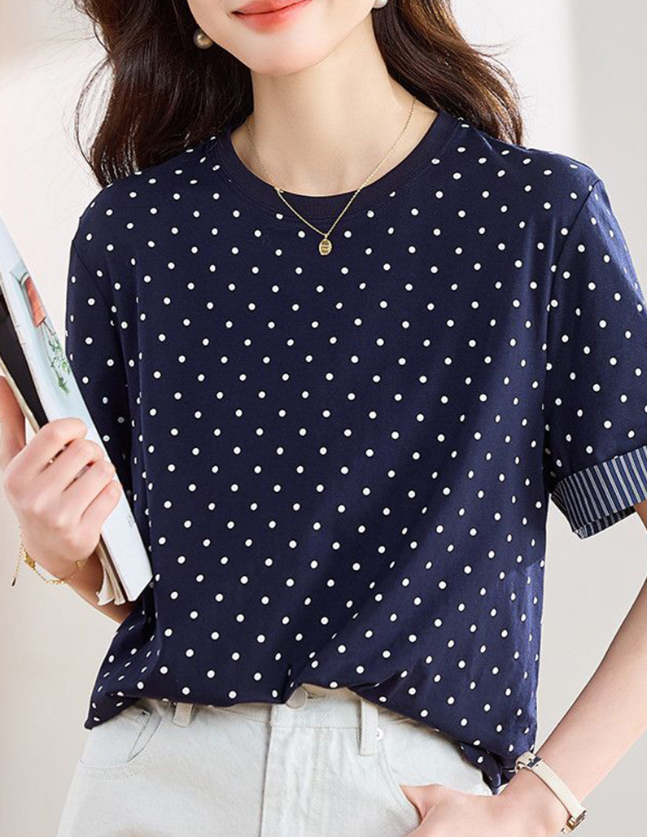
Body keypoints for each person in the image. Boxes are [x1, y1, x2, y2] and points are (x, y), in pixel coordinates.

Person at [2, 1, 647, 835]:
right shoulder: (133, 234)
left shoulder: (535, 214)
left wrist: (540, 800)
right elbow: (155, 593)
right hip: (153, 785)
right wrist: (61, 550)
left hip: (407, 803)